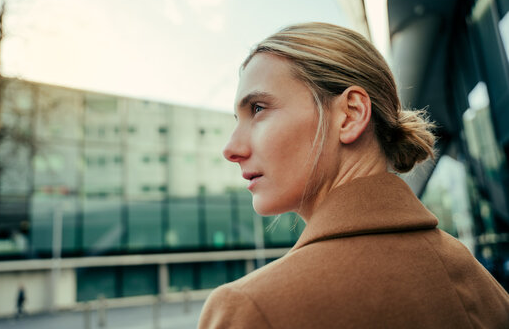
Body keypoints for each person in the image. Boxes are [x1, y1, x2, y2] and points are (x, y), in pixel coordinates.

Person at [198, 22, 509, 328]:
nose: (231, 148)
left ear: (350, 115)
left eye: (258, 109)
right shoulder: (475, 277)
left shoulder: (249, 309)